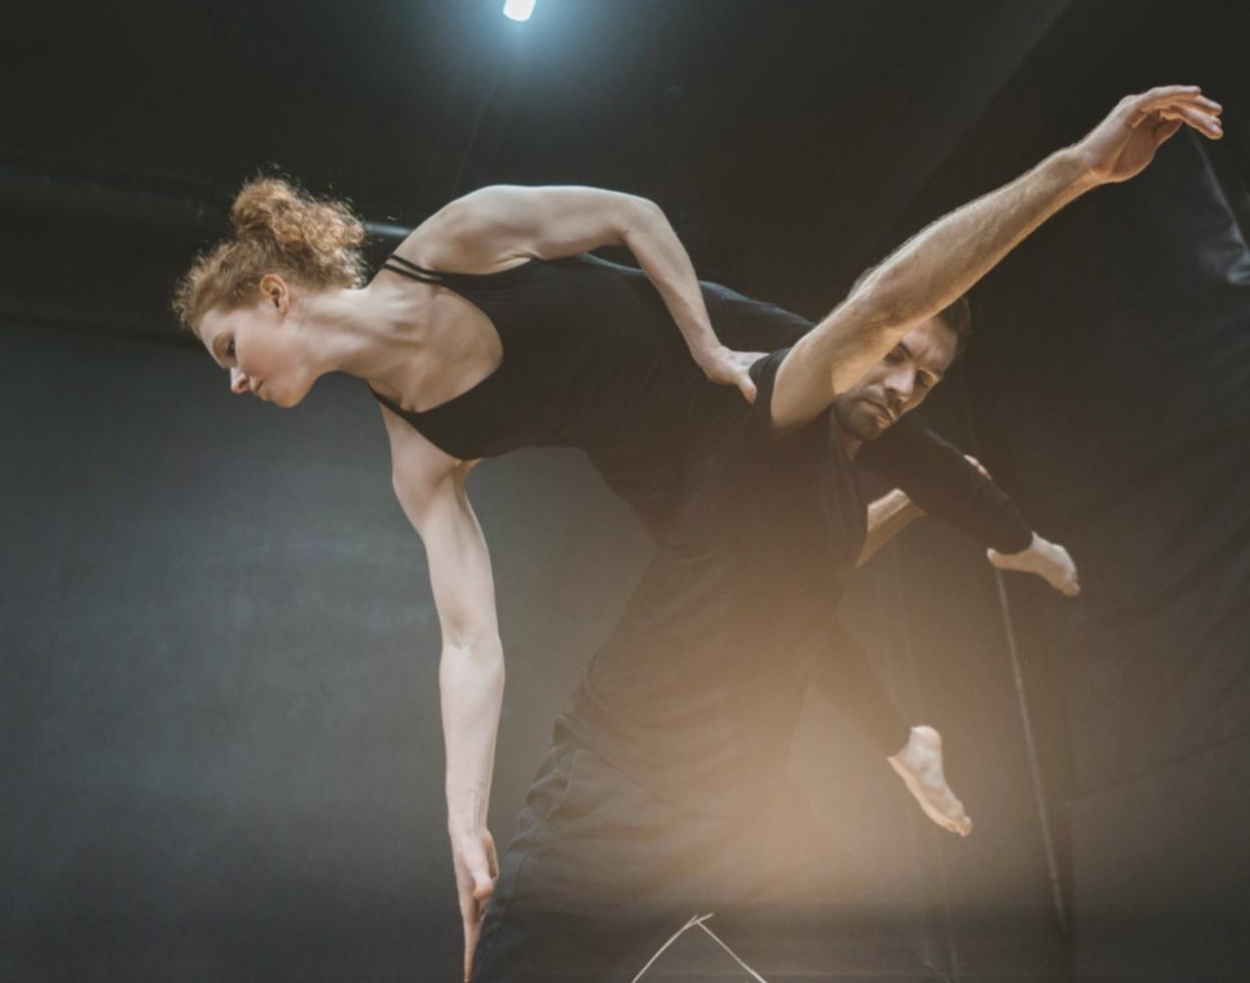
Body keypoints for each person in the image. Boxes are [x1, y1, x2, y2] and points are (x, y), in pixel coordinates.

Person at [173, 86, 1222, 980]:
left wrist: (713, 347)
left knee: (868, 393)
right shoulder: (414, 450)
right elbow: (465, 640)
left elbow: (667, 228)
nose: (232, 375)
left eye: (229, 344)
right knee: (778, 568)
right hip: (665, 519)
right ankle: (912, 710)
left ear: (274, 291)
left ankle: (993, 548)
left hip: (711, 362)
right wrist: (460, 819)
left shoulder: (451, 244)